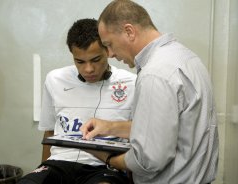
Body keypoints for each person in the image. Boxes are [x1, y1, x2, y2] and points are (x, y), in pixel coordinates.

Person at [80, 0, 219, 184]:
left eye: (109, 44)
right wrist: (109, 127)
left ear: (129, 32)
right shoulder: (185, 57)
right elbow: (166, 129)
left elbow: (148, 160)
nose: (110, 54)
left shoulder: (154, 75)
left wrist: (107, 158)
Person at [18, 18, 136, 184]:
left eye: (96, 60)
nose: (88, 69)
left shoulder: (133, 83)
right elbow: (50, 132)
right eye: (80, 61)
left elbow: (140, 136)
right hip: (59, 164)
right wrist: (43, 168)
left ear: (107, 51)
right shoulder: (55, 79)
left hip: (104, 167)